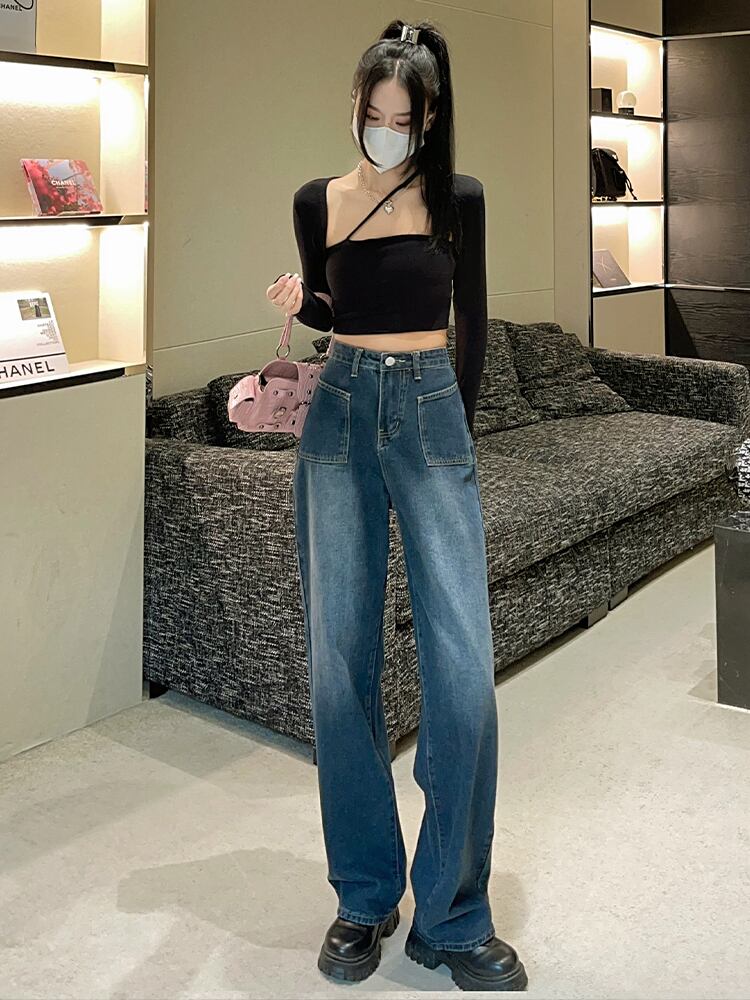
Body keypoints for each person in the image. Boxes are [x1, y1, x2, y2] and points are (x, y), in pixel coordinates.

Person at [266, 18, 528, 993]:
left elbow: (473, 323)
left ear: (427, 119)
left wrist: (455, 440)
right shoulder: (317, 200)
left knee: (463, 674)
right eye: (371, 113)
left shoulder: (459, 199)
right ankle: (365, 893)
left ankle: (453, 912)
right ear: (355, 108)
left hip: (429, 411)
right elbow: (340, 308)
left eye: (401, 119)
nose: (383, 131)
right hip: (337, 413)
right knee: (339, 664)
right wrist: (300, 303)